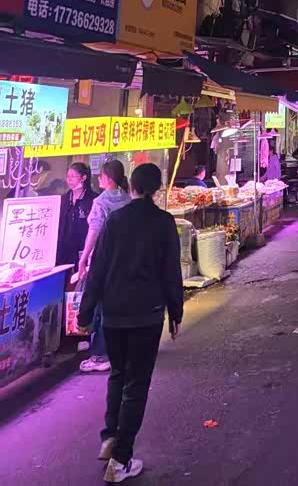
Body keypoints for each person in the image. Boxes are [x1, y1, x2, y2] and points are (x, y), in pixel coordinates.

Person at [79, 162, 183, 484]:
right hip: (146, 315)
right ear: (156, 189)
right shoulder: (164, 222)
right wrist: (175, 313)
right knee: (136, 384)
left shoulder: (115, 220)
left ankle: (110, 438)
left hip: (113, 314)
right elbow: (171, 272)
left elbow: (98, 269)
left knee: (118, 376)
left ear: (133, 187)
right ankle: (121, 459)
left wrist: (85, 313)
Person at [78, 160, 132, 374]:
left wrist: (84, 258)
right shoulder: (128, 199)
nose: (98, 179)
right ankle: (117, 351)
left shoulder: (102, 201)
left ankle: (101, 355)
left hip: (105, 260)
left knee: (101, 308)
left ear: (108, 178)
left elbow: (94, 231)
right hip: (125, 260)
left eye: (100, 175)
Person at [57, 162, 97, 270]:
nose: (69, 179)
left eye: (73, 176)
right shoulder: (63, 199)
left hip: (83, 248)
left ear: (83, 178)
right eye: (68, 176)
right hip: (64, 249)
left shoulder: (94, 199)